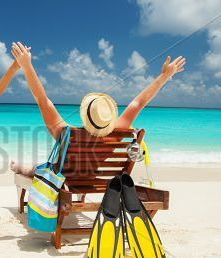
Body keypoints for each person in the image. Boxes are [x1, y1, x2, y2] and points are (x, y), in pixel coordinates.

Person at [10, 41, 186, 176]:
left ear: (85, 115)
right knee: (35, 167)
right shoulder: (117, 133)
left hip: (63, 178)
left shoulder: (65, 134)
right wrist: (164, 77)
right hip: (93, 176)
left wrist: (27, 66)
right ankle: (22, 166)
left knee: (34, 170)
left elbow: (42, 101)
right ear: (108, 118)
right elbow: (138, 103)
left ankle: (20, 167)